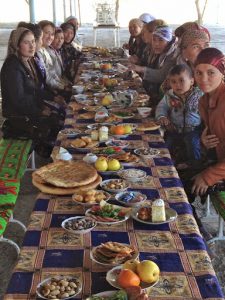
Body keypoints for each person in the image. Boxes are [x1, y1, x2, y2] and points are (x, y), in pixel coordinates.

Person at [179, 47, 225, 240]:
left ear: (222, 72)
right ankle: (195, 232)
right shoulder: (205, 100)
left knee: (181, 188)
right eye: (198, 72)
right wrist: (205, 142)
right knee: (175, 178)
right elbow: (212, 138)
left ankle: (194, 240)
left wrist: (208, 176)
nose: (203, 78)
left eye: (211, 73)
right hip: (217, 161)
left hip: (220, 170)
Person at [0, 27, 61, 157]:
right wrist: (40, 111)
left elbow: (34, 90)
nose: (32, 46)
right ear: (17, 45)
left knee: (60, 118)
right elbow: (19, 100)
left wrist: (50, 100)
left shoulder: (26, 62)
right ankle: (53, 163)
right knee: (58, 126)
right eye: (26, 42)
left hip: (28, 112)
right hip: (19, 118)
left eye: (33, 41)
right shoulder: (13, 67)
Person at [155, 64, 203, 166]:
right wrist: (162, 117)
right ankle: (167, 163)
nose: (177, 85)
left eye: (181, 80)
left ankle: (194, 164)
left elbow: (207, 113)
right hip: (175, 128)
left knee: (193, 143)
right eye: (173, 82)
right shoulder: (169, 95)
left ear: (191, 81)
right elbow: (161, 107)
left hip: (193, 129)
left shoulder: (199, 96)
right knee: (166, 144)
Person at [129, 25, 178, 110]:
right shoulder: (161, 51)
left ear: (168, 40)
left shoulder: (172, 55)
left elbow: (161, 76)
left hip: (167, 103)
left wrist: (140, 69)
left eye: (161, 40)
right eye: (154, 40)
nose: (156, 44)